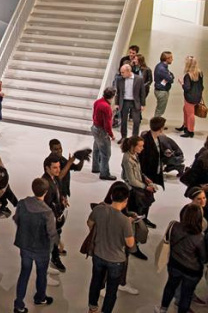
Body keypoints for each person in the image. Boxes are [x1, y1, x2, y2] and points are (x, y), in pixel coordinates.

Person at [86, 183, 136, 313]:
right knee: (111, 290)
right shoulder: (125, 221)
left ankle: (92, 308)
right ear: (126, 200)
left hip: (98, 254)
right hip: (116, 260)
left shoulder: (99, 209)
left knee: (96, 282)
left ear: (112, 196)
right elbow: (130, 244)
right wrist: (130, 225)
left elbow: (89, 223)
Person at [13, 178, 58, 313]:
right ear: (46, 192)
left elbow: (16, 219)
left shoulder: (22, 203)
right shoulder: (47, 212)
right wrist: (56, 244)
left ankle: (19, 304)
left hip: (25, 245)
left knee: (24, 273)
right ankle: (40, 297)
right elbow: (51, 233)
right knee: (41, 274)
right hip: (41, 249)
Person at [158, 204, 207, 313]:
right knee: (186, 295)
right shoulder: (199, 237)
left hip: (174, 263)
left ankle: (163, 309)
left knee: (170, 286)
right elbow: (203, 258)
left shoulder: (174, 226)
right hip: (192, 270)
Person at [41, 154, 69, 273]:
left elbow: (59, 191)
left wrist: (62, 199)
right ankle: (53, 258)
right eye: (55, 167)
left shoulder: (55, 178)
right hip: (50, 218)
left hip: (57, 215)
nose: (58, 170)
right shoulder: (45, 183)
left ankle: (55, 253)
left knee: (57, 234)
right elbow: (46, 205)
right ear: (47, 168)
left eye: (59, 167)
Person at [121, 136, 156, 226]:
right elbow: (132, 180)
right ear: (133, 146)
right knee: (137, 208)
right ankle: (138, 224)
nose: (142, 148)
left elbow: (138, 171)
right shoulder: (127, 159)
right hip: (132, 188)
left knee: (146, 202)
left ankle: (144, 220)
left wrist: (144, 177)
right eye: (140, 146)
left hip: (139, 183)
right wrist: (146, 187)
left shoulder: (135, 155)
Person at [115, 63, 145, 141]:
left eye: (123, 72)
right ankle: (123, 137)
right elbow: (118, 92)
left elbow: (142, 92)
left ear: (128, 71)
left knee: (136, 121)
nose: (121, 74)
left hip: (135, 102)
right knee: (123, 121)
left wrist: (143, 104)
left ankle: (134, 138)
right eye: (121, 72)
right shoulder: (119, 79)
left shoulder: (139, 79)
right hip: (124, 101)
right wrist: (116, 103)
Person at [92, 87, 117, 180]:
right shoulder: (106, 107)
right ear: (112, 96)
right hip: (101, 131)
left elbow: (95, 115)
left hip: (95, 127)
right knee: (106, 153)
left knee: (96, 149)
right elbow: (107, 124)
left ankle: (96, 167)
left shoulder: (97, 102)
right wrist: (111, 135)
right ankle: (104, 173)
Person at [180, 55, 203, 138]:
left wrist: (181, 83)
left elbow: (187, 88)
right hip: (197, 96)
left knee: (190, 114)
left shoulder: (188, 75)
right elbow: (201, 86)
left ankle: (190, 131)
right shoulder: (200, 73)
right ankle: (185, 126)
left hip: (189, 97)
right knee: (185, 109)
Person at [154, 51, 175, 118]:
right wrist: (170, 76)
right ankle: (156, 123)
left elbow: (171, 75)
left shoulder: (161, 66)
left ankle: (157, 122)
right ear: (167, 59)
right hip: (162, 91)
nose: (172, 59)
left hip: (160, 90)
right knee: (160, 110)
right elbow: (170, 79)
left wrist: (170, 76)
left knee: (160, 109)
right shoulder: (162, 69)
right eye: (171, 58)